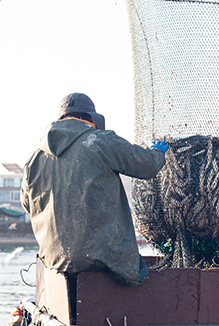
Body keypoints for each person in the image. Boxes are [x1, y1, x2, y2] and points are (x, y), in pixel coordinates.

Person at [21, 92, 168, 286]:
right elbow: (146, 165)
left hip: (54, 263)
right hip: (103, 260)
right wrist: (157, 153)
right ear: (91, 119)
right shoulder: (100, 141)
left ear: (61, 119)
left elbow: (27, 205)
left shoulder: (35, 159)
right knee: (142, 273)